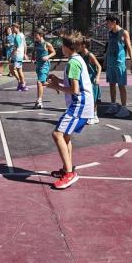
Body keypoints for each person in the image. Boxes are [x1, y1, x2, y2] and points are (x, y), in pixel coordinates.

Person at [44, 31, 94, 189]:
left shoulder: (73, 63)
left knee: (57, 134)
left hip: (80, 104)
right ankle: (68, 168)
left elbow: (75, 89)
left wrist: (55, 86)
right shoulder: (76, 59)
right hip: (81, 104)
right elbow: (74, 83)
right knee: (65, 135)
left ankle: (70, 175)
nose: (60, 47)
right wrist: (58, 80)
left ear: (67, 48)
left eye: (62, 45)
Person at [104, 15, 132, 118]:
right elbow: (109, 47)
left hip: (120, 63)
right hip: (110, 63)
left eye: (108, 22)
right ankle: (113, 105)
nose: (107, 24)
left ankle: (124, 108)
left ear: (114, 22)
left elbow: (129, 47)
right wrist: (106, 60)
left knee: (121, 86)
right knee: (111, 85)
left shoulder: (124, 32)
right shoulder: (110, 33)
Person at [79, 36, 102, 124]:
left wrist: (98, 77)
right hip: (85, 80)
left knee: (93, 99)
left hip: (92, 80)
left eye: (80, 44)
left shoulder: (90, 55)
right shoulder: (80, 55)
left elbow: (99, 66)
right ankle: (90, 115)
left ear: (84, 45)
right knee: (87, 98)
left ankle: (94, 116)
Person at [32, 28, 56, 109]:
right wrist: (33, 58)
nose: (35, 37)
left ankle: (39, 101)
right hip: (38, 65)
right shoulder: (37, 44)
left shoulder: (47, 44)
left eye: (36, 35)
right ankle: (55, 86)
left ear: (41, 35)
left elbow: (54, 52)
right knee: (42, 83)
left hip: (45, 65)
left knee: (39, 82)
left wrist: (48, 56)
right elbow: (35, 51)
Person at [10, 23, 29, 91]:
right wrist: (25, 54)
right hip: (18, 55)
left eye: (13, 28)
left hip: (17, 55)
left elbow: (16, 47)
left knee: (19, 70)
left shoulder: (18, 36)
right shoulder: (22, 35)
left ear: (16, 28)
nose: (12, 29)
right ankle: (20, 82)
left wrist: (10, 55)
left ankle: (23, 85)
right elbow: (25, 45)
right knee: (11, 68)